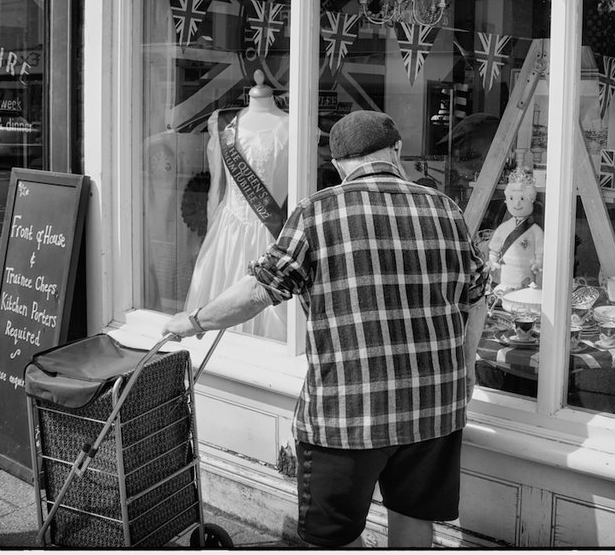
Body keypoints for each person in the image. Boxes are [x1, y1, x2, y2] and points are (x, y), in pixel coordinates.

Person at [164, 110, 489, 548]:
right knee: (413, 521)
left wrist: (195, 320)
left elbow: (260, 291)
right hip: (434, 405)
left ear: (338, 164)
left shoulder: (316, 211)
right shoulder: (447, 209)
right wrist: (466, 367)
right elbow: (479, 297)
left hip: (349, 412)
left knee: (331, 538)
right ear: (395, 152)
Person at [184, 72, 289, 339]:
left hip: (271, 233)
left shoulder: (293, 125)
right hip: (227, 233)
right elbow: (216, 187)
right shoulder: (222, 123)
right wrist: (209, 236)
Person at [486, 167, 544, 295]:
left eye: (522, 199)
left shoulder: (535, 231)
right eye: (512, 199)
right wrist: (493, 260)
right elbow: (495, 248)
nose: (517, 204)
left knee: (524, 296)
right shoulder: (504, 227)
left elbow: (540, 252)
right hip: (507, 274)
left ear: (531, 200)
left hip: (526, 275)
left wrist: (538, 262)